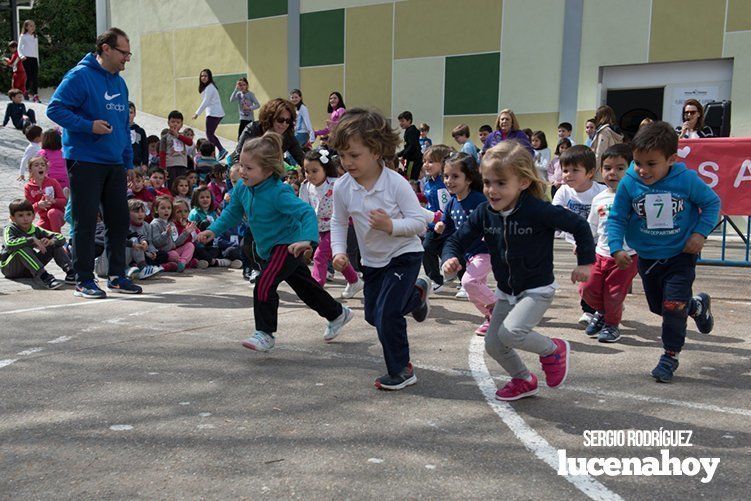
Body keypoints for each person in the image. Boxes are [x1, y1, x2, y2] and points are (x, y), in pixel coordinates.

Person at [443, 141, 594, 401]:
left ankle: (553, 349)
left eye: (501, 183)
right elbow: (456, 240)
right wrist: (450, 257)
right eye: (488, 182)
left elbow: (580, 226)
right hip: (506, 291)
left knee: (511, 333)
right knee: (493, 343)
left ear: (523, 182)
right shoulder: (484, 213)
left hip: (536, 289)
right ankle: (524, 379)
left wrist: (585, 262)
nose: (492, 190)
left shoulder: (537, 210)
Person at [197, 132, 353, 351]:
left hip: (288, 244)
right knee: (305, 287)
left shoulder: (279, 192)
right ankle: (337, 313)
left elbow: (307, 212)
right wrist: (213, 230)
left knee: (264, 282)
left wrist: (307, 240)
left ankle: (265, 333)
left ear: (268, 170)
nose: (242, 171)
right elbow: (232, 212)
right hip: (269, 247)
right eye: (241, 165)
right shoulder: (242, 188)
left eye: (249, 168)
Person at [608, 121, 720, 383]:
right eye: (637, 162)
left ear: (671, 158)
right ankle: (696, 306)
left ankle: (669, 355)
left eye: (651, 163)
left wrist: (700, 233)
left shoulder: (686, 180)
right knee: (662, 307)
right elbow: (617, 217)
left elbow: (712, 203)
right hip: (647, 256)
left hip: (681, 254)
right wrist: (615, 247)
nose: (642, 170)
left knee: (672, 306)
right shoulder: (629, 183)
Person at [328, 108, 431, 391]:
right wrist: (339, 252)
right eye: (342, 155)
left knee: (387, 314)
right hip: (372, 262)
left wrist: (391, 225)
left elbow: (419, 222)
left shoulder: (395, 183)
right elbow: (338, 222)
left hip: (403, 255)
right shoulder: (343, 188)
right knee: (374, 315)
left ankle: (401, 369)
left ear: (375, 151)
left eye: (354, 155)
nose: (346, 162)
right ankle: (417, 295)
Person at [46, 27, 141, 298]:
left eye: (129, 53)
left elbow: (124, 125)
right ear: (106, 49)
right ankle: (83, 280)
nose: (127, 59)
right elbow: (55, 109)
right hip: (85, 159)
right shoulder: (80, 75)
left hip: (114, 162)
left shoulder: (119, 83)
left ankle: (117, 276)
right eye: (124, 52)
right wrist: (89, 126)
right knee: (85, 221)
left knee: (119, 220)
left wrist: (128, 162)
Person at [579, 144, 638, 343]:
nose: (613, 173)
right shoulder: (599, 198)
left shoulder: (636, 196)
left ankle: (612, 325)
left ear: (632, 169)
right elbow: (591, 227)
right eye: (607, 168)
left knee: (614, 293)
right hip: (600, 254)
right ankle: (603, 312)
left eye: (620, 168)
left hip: (626, 256)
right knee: (587, 288)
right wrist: (582, 245)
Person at [434, 152, 491, 335]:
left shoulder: (479, 199)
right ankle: (491, 318)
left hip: (485, 251)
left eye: (455, 176)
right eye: (446, 176)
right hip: (468, 254)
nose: (449, 180)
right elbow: (447, 223)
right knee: (474, 292)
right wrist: (440, 225)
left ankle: (500, 311)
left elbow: (493, 217)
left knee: (469, 282)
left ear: (469, 179)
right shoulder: (451, 203)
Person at [552, 145, 606, 326]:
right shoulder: (563, 191)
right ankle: (591, 309)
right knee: (589, 276)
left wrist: (585, 242)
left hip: (599, 240)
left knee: (596, 275)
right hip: (578, 242)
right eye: (565, 170)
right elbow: (553, 214)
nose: (568, 175)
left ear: (590, 172)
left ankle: (599, 307)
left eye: (575, 170)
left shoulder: (600, 192)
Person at [300, 147, 364, 298]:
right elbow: (303, 208)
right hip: (319, 228)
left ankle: (316, 290)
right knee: (336, 258)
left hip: (338, 226)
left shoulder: (337, 184)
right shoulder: (305, 186)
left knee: (319, 256)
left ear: (325, 168)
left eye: (314, 171)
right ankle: (354, 280)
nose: (310, 175)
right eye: (307, 171)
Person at [1, 199, 75, 289]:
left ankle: (71, 273)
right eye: (20, 215)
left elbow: (60, 237)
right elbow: (9, 244)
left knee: (54, 243)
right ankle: (45, 277)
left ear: (33, 216)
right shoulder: (10, 229)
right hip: (11, 269)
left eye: (28, 214)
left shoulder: (35, 229)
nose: (25, 218)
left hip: (30, 269)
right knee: (21, 248)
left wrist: (51, 241)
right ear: (12, 218)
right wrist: (31, 240)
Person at [232, 98, 305, 166]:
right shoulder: (253, 129)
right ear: (270, 118)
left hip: (269, 173)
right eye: (280, 119)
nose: (284, 124)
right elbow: (237, 158)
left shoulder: (288, 135)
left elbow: (302, 159)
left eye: (288, 121)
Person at [420, 145, 453, 292]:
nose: (426, 164)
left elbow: (445, 207)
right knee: (428, 248)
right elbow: (429, 201)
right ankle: (435, 279)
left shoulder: (442, 184)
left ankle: (465, 279)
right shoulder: (429, 182)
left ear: (443, 164)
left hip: (444, 225)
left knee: (449, 252)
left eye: (431, 161)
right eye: (425, 161)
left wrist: (443, 222)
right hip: (432, 224)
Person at [24, 156, 66, 233]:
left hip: (59, 216)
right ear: (30, 170)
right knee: (33, 233)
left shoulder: (53, 182)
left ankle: (58, 238)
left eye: (43, 165)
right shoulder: (28, 187)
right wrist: (38, 205)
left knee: (52, 213)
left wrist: (54, 201)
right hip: (44, 220)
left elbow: (63, 201)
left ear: (46, 169)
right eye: (36, 165)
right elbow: (28, 210)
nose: (40, 167)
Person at [123, 199, 163, 280]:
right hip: (128, 254)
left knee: (162, 255)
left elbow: (149, 242)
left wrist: (152, 251)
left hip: (142, 252)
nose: (140, 214)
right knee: (134, 240)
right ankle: (141, 267)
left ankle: (140, 267)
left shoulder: (147, 226)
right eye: (136, 212)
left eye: (142, 211)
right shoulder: (126, 226)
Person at [192, 69, 227, 159]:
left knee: (209, 134)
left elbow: (206, 102)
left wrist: (197, 113)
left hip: (214, 113)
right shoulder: (208, 87)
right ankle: (219, 151)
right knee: (210, 134)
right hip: (215, 113)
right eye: (202, 76)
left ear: (209, 77)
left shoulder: (210, 87)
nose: (203, 78)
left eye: (205, 76)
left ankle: (217, 152)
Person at [159, 110, 193, 182]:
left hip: (182, 165)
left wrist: (177, 135)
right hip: (170, 165)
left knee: (181, 184)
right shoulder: (165, 137)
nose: (175, 124)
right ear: (168, 123)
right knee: (172, 185)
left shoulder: (183, 136)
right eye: (173, 122)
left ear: (181, 124)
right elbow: (162, 153)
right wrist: (163, 169)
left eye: (178, 122)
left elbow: (190, 142)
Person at [590, 105, 623, 175]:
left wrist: (592, 171)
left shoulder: (604, 131)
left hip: (601, 172)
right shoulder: (615, 131)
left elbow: (600, 153)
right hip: (613, 168)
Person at [396, 111, 423, 181]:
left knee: (411, 178)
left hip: (413, 160)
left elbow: (412, 146)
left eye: (402, 121)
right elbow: (407, 147)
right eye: (400, 121)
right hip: (411, 159)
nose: (400, 123)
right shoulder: (409, 130)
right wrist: (398, 154)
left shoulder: (411, 131)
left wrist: (403, 156)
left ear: (409, 121)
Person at [18, 20, 40, 102]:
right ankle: (26, 91)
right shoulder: (23, 36)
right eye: (30, 26)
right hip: (26, 58)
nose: (33, 27)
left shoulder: (35, 37)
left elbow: (36, 50)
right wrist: (21, 56)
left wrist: (38, 61)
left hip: (34, 59)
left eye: (34, 25)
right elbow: (19, 48)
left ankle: (35, 95)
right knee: (29, 76)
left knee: (35, 77)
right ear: (26, 27)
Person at [129, 102, 148, 171]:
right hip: (122, 164)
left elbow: (145, 148)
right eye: (126, 112)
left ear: (135, 114)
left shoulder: (140, 131)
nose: (128, 115)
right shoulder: (119, 130)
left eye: (131, 112)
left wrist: (145, 163)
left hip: (137, 165)